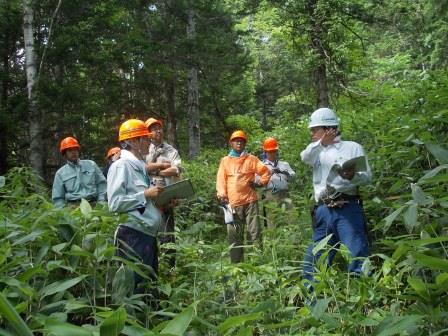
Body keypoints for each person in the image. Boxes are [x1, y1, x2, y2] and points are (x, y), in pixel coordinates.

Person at [300, 107, 372, 290]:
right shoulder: (315, 150)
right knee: (314, 258)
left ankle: (363, 298)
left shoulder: (352, 147)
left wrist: (352, 177)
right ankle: (312, 297)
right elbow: (305, 157)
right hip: (323, 210)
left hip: (347, 207)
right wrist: (321, 143)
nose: (311, 133)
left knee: (358, 253)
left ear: (328, 129)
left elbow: (367, 176)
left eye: (314, 129)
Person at [107, 119, 164, 292]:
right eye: (144, 139)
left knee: (149, 287)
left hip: (147, 234)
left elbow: (142, 202)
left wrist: (163, 200)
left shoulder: (138, 167)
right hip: (132, 236)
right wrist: (145, 194)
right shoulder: (121, 166)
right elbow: (115, 203)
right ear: (133, 142)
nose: (149, 142)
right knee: (134, 289)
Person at [216, 130, 271, 263]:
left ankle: (257, 262)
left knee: (255, 233)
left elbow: (265, 172)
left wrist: (259, 183)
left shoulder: (252, 159)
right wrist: (222, 195)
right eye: (236, 140)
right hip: (232, 204)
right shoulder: (225, 161)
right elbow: (220, 180)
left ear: (245, 143)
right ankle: (237, 266)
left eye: (241, 140)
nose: (239, 142)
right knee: (234, 236)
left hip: (251, 201)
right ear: (231, 143)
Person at [144, 117, 182, 268]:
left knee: (168, 237)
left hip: (166, 199)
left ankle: (169, 270)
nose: (157, 131)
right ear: (147, 133)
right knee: (149, 235)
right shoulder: (142, 149)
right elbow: (143, 168)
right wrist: (161, 166)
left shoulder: (171, 150)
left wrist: (155, 171)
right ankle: (151, 269)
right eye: (153, 129)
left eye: (159, 128)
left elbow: (176, 169)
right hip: (147, 200)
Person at [52, 136, 106, 208]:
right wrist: (64, 215)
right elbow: (58, 198)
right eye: (70, 150)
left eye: (75, 149)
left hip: (94, 204)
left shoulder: (91, 165)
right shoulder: (60, 173)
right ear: (64, 154)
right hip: (73, 208)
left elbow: (102, 184)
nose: (73, 152)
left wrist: (101, 202)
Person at [260, 137, 296, 229]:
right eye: (269, 151)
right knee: (272, 219)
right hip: (270, 194)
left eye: (273, 151)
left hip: (285, 193)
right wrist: (268, 175)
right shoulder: (261, 166)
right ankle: (274, 240)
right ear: (265, 152)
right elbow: (258, 181)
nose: (272, 154)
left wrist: (285, 172)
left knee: (291, 216)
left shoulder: (284, 164)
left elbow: (293, 176)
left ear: (276, 151)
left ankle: (295, 240)